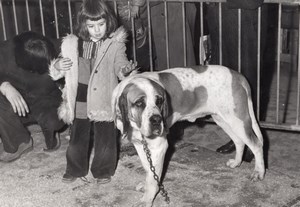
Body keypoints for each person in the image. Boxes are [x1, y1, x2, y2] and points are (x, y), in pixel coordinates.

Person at [50, 0, 136, 184]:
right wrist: (57, 65)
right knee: (77, 136)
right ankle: (74, 169)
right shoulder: (73, 44)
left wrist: (125, 70)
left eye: (101, 24)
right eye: (91, 26)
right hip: (80, 96)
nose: (97, 30)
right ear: (83, 24)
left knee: (105, 138)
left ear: (108, 22)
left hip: (104, 96)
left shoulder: (114, 44)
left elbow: (120, 64)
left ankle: (103, 170)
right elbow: (60, 68)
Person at [205, 0, 270, 161]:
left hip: (247, 21)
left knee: (249, 80)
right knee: (226, 83)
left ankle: (253, 138)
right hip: (221, 21)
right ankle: (237, 137)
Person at [0, 31, 65, 162]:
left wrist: (65, 68)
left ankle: (50, 131)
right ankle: (18, 142)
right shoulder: (4, 52)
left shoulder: (59, 46)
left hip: (46, 100)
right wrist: (4, 85)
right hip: (16, 101)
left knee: (54, 122)